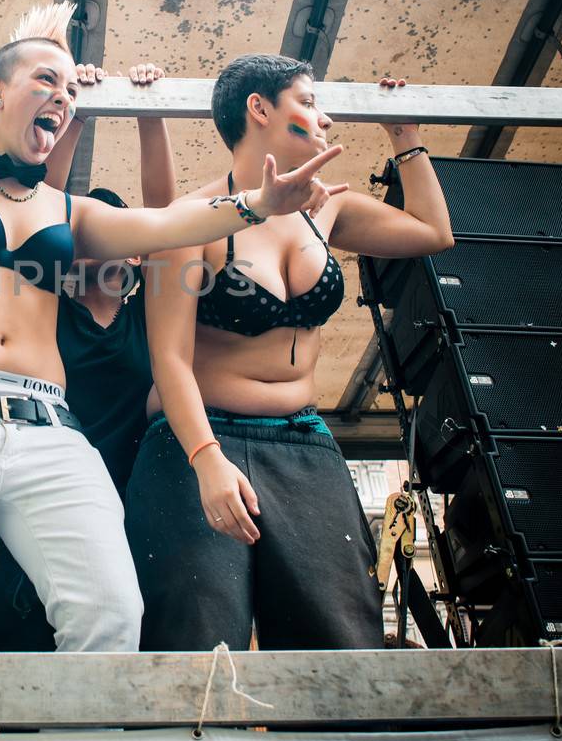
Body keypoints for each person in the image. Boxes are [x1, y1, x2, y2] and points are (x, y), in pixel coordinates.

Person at [0, 8, 349, 653]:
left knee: (113, 616)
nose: (61, 96)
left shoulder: (71, 212)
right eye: (45, 81)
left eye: (71, 91)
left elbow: (169, 225)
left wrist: (255, 205)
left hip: (48, 427)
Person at [129, 53, 454, 651]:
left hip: (304, 439)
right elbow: (168, 358)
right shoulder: (189, 220)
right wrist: (205, 459)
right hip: (198, 442)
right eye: (307, 102)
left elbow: (434, 234)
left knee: (340, 632)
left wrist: (405, 136)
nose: (324, 118)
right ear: (259, 109)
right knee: (198, 637)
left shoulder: (327, 207)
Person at [0, 63, 175, 652]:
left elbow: (166, 219)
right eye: (87, 239)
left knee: (114, 619)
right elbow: (40, 198)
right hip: (39, 480)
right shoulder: (45, 306)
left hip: (130, 492)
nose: (97, 249)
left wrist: (150, 111)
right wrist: (75, 112)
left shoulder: (150, 315)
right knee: (24, 628)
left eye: (112, 238)